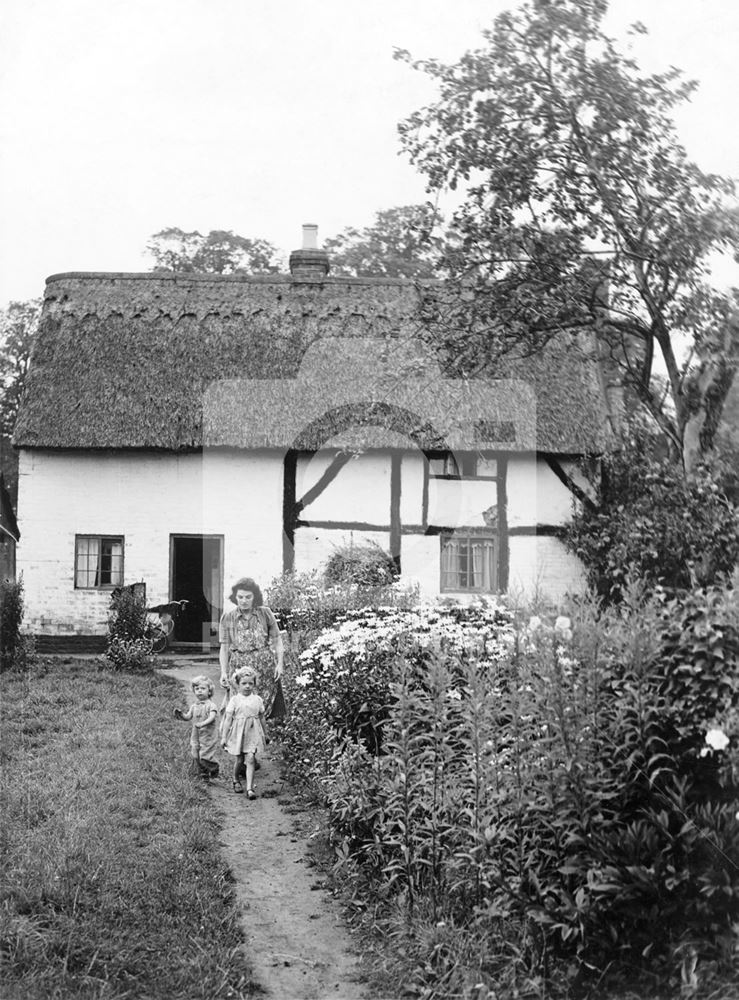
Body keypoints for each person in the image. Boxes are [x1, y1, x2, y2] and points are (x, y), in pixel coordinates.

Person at [219, 577, 284, 705]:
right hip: (239, 669)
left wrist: (280, 664)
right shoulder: (228, 617)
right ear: (235, 597)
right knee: (239, 707)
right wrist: (223, 672)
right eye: (240, 597)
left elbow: (277, 640)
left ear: (255, 597)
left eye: (248, 597)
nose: (244, 601)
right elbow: (224, 648)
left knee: (262, 708)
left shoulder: (265, 613)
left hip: (264, 668)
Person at [220, 669, 267, 797]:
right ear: (238, 684)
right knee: (240, 759)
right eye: (244, 683)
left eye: (250, 683)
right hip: (238, 732)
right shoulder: (235, 700)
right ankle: (235, 779)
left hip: (253, 731)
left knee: (251, 758)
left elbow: (262, 717)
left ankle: (250, 789)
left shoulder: (257, 699)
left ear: (254, 684)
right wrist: (224, 737)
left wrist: (265, 734)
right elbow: (228, 719)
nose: (247, 686)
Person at [173, 674, 220, 781]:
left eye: (203, 688)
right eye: (197, 688)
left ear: (209, 691)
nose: (199, 691)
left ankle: (212, 769)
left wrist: (203, 723)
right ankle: (200, 773)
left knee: (204, 755)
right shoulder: (194, 706)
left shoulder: (211, 705)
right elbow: (188, 717)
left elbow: (212, 717)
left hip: (208, 735)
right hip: (196, 735)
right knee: (195, 754)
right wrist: (181, 715)